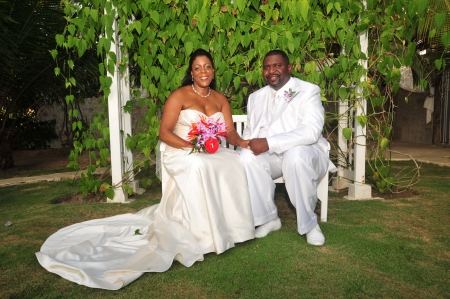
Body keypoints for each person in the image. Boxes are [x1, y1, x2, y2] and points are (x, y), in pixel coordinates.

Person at [36, 49, 255, 290]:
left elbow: (230, 132)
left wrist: (243, 142)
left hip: (208, 151)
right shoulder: (179, 96)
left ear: (213, 71)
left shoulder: (220, 99)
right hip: (181, 150)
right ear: (191, 73)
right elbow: (164, 133)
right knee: (198, 163)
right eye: (198, 68)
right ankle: (203, 236)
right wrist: (191, 145)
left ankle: (234, 228)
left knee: (233, 160)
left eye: (207, 67)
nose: (203, 72)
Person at [239, 50, 334, 246]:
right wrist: (246, 146)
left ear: (289, 68)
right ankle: (268, 219)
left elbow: (310, 132)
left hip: (306, 152)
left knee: (295, 156)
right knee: (246, 158)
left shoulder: (307, 90)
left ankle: (310, 224)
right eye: (267, 67)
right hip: (272, 156)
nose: (271, 70)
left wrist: (269, 142)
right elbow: (250, 131)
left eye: (277, 65)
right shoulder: (255, 97)